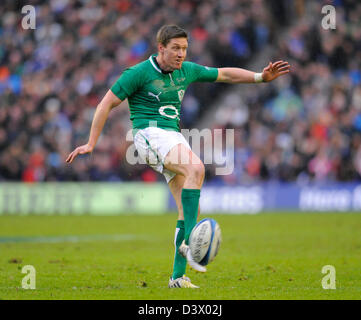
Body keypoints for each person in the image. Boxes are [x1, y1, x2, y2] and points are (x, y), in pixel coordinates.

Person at [66, 25, 290, 288]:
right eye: (176, 48)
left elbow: (224, 74)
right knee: (196, 169)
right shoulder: (138, 73)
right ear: (161, 48)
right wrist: (91, 143)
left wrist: (259, 78)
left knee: (187, 209)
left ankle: (178, 277)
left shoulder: (187, 70)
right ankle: (190, 243)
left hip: (172, 137)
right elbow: (106, 103)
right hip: (148, 133)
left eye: (184, 48)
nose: (181, 53)